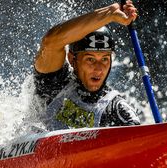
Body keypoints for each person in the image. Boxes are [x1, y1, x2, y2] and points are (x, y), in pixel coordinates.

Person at [33, 1, 140, 131]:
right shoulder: (54, 81)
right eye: (90, 59)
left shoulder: (115, 107)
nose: (99, 69)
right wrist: (110, 13)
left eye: (105, 59)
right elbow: (50, 42)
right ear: (72, 59)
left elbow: (142, 140)